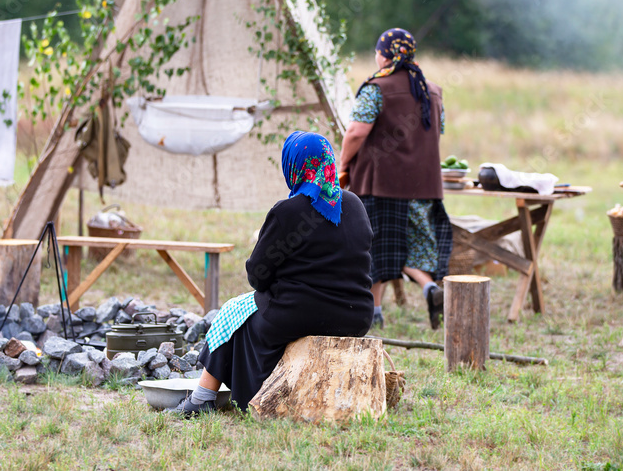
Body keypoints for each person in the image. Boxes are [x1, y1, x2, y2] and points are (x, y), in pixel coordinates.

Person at [168, 131, 374, 417]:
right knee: (248, 313)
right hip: (357, 315)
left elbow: (257, 276)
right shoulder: (354, 205)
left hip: (298, 314)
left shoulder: (288, 212)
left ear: (294, 166)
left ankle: (203, 398)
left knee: (234, 314)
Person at [338, 28, 452, 330]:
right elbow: (436, 132)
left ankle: (374, 311)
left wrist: (343, 164)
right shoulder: (433, 91)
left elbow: (356, 132)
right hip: (423, 185)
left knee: (375, 247)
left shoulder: (377, 88)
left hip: (380, 184)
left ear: (382, 54)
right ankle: (429, 287)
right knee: (412, 247)